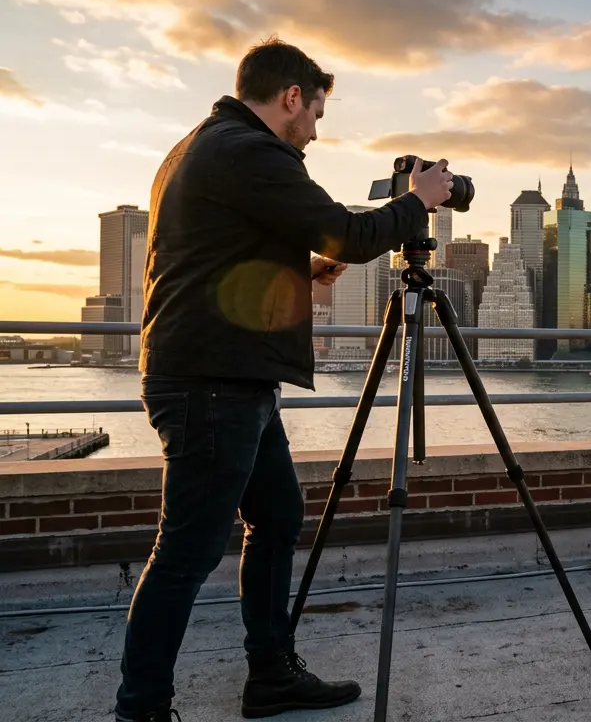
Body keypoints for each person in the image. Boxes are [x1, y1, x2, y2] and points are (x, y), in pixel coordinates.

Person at [114, 38, 456, 722]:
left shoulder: (200, 146)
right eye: (317, 113)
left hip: (227, 374)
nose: (317, 130)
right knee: (186, 549)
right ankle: (141, 709)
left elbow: (216, 266)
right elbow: (351, 235)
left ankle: (271, 674)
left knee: (277, 518)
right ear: (291, 97)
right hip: (213, 380)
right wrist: (418, 200)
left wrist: (305, 274)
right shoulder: (248, 150)